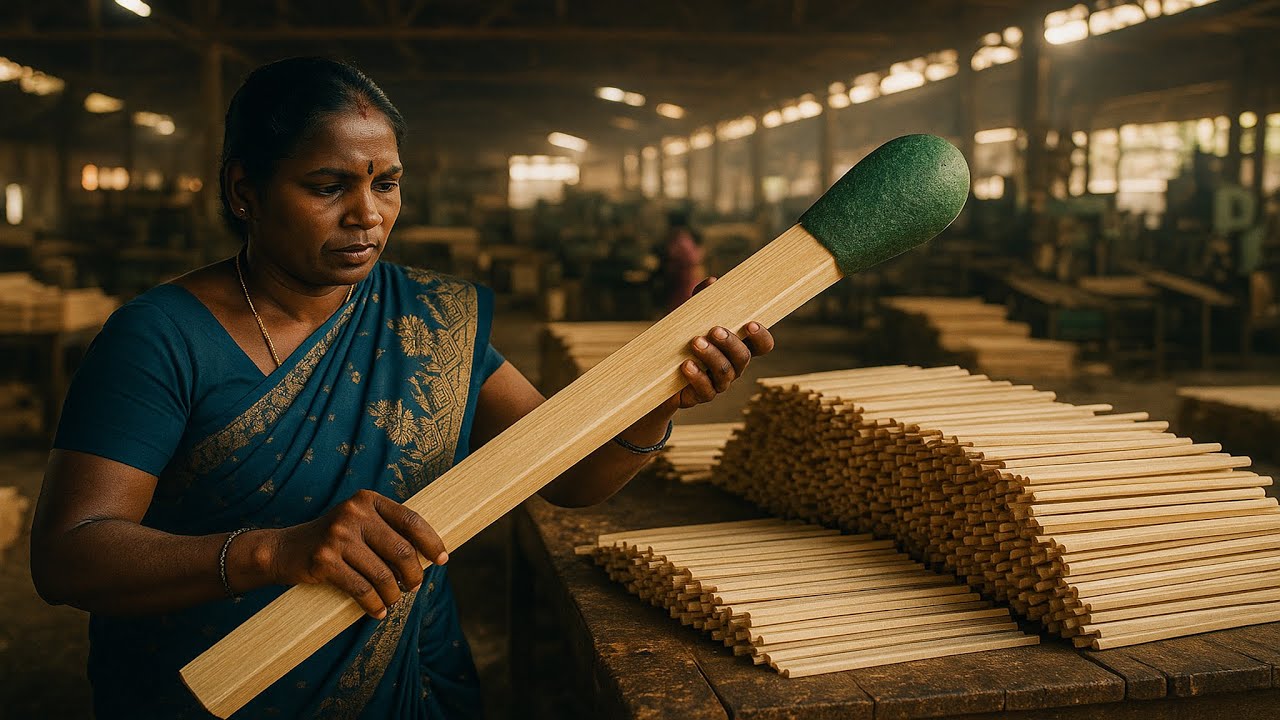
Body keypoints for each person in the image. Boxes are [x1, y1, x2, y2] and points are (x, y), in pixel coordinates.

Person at [28, 57, 775, 719]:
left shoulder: (430, 323)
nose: (368, 214)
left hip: (407, 687)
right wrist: (276, 553)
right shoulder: (159, 339)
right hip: (210, 691)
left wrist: (664, 395)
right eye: (328, 186)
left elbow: (569, 474)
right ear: (244, 190)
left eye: (386, 184)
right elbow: (70, 556)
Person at [661, 209, 706, 312]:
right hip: (680, 280)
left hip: (686, 279)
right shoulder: (679, 237)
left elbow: (693, 258)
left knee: (684, 307)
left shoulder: (682, 239)